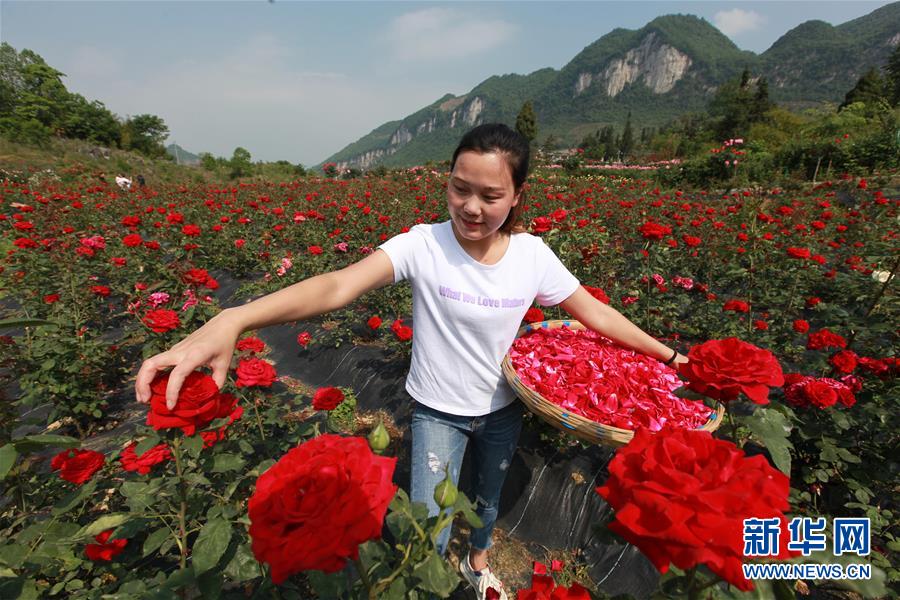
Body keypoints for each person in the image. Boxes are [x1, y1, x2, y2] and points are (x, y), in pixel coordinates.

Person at [135, 123, 687, 600]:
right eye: (459, 188)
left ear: (517, 196)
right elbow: (337, 286)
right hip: (437, 412)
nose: (471, 206)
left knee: (489, 504)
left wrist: (669, 356)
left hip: (502, 408)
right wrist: (235, 316)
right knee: (429, 522)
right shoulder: (423, 244)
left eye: (490, 195)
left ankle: (478, 566)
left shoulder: (532, 257)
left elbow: (597, 314)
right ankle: (427, 575)